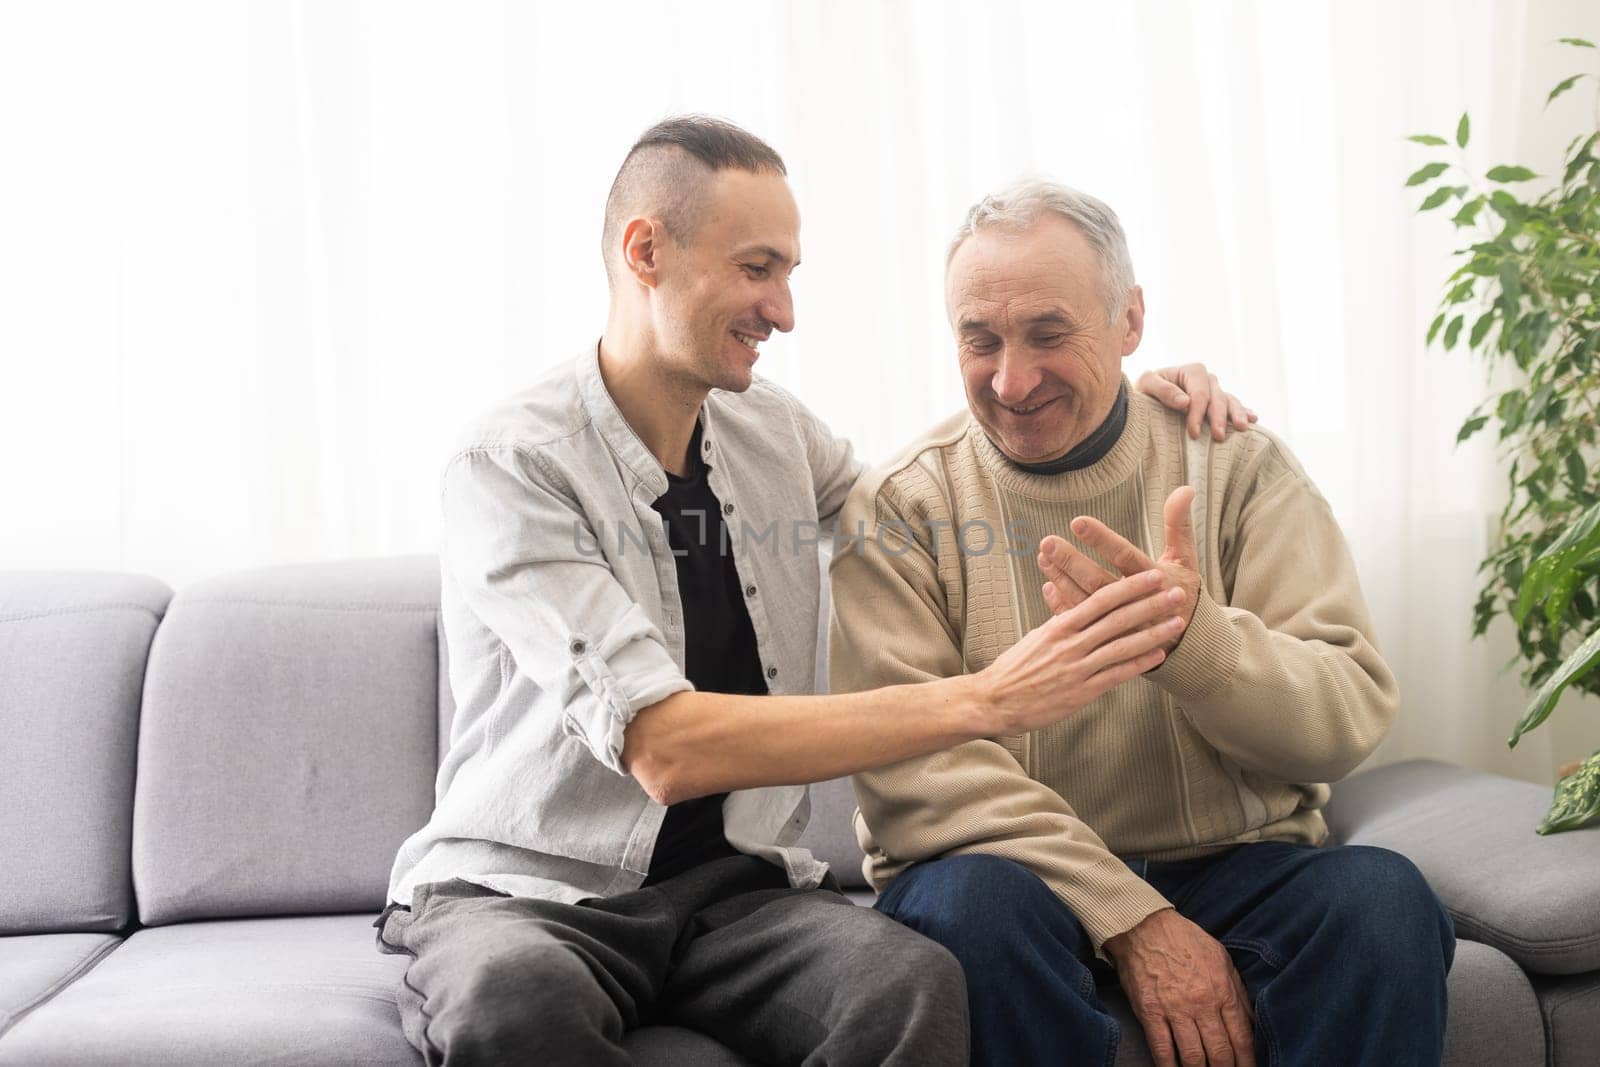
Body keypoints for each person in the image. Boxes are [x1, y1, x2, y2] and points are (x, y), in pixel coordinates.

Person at [374, 116, 1251, 1066]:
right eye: (758, 269)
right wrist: (985, 701)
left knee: (908, 985)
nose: (783, 311)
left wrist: (1117, 403)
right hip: (531, 897)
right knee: (513, 1004)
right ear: (646, 252)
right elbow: (664, 745)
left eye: (789, 273)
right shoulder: (510, 465)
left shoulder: (775, 434)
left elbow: (943, 503)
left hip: (739, 899)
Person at [829, 178, 1456, 1067]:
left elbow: (1344, 713)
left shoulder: (1239, 465)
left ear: (1130, 322)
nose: (1012, 378)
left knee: (1383, 901)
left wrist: (1195, 646)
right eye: (981, 341)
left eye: (1050, 333)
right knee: (971, 909)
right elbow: (913, 774)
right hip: (1015, 880)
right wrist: (1130, 915)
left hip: (1235, 865)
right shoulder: (902, 504)